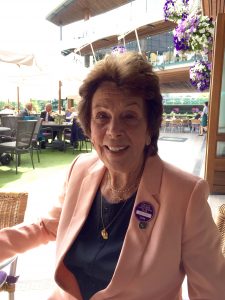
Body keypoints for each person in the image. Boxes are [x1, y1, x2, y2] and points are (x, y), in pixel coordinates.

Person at [0, 52, 225, 300]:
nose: (114, 131)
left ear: (150, 127)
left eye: (129, 116)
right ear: (89, 126)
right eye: (102, 116)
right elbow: (45, 227)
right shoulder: (80, 170)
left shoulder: (186, 195)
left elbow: (211, 292)